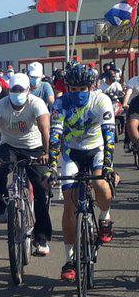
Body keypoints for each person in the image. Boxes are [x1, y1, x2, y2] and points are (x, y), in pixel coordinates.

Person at [47, 63, 116, 282]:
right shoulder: (60, 103)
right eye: (73, 89)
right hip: (72, 153)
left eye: (82, 89)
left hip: (96, 150)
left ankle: (105, 218)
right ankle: (70, 259)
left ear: (91, 86)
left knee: (100, 184)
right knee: (69, 207)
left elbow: (109, 135)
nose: (77, 93)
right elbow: (55, 135)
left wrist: (107, 166)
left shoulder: (101, 100)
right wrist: (52, 165)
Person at [0, 73, 52, 255]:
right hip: (9, 146)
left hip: (34, 147)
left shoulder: (36, 103)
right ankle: (0, 202)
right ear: (9, 90)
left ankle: (41, 237)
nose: (17, 93)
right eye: (13, 90)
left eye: (21, 90)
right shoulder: (0, 105)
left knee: (41, 189)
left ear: (28, 90)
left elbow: (45, 128)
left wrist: (47, 153)